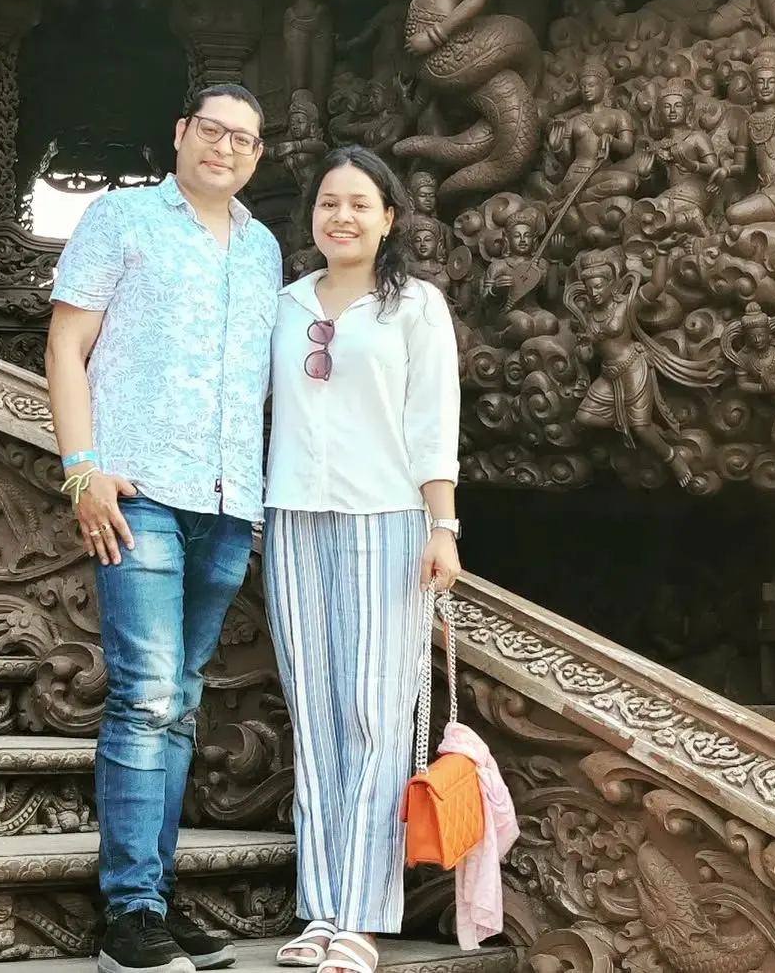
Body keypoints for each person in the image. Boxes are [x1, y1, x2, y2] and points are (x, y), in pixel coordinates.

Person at [45, 84, 283, 973]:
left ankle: (153, 894)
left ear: (257, 156)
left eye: (244, 140)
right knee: (146, 694)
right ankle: (129, 913)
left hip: (228, 502)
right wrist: (81, 470)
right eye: (211, 130)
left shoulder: (263, 250)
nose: (225, 148)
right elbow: (66, 345)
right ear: (181, 134)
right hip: (137, 488)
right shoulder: (122, 219)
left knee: (179, 703)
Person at [263, 145, 462, 973]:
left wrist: (443, 525)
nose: (341, 216)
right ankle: (319, 912)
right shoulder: (281, 304)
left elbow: (432, 417)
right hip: (293, 519)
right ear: (312, 216)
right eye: (328, 203)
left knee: (375, 719)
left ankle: (360, 919)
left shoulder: (415, 306)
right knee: (314, 720)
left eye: (359, 204)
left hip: (389, 521)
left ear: (388, 218)